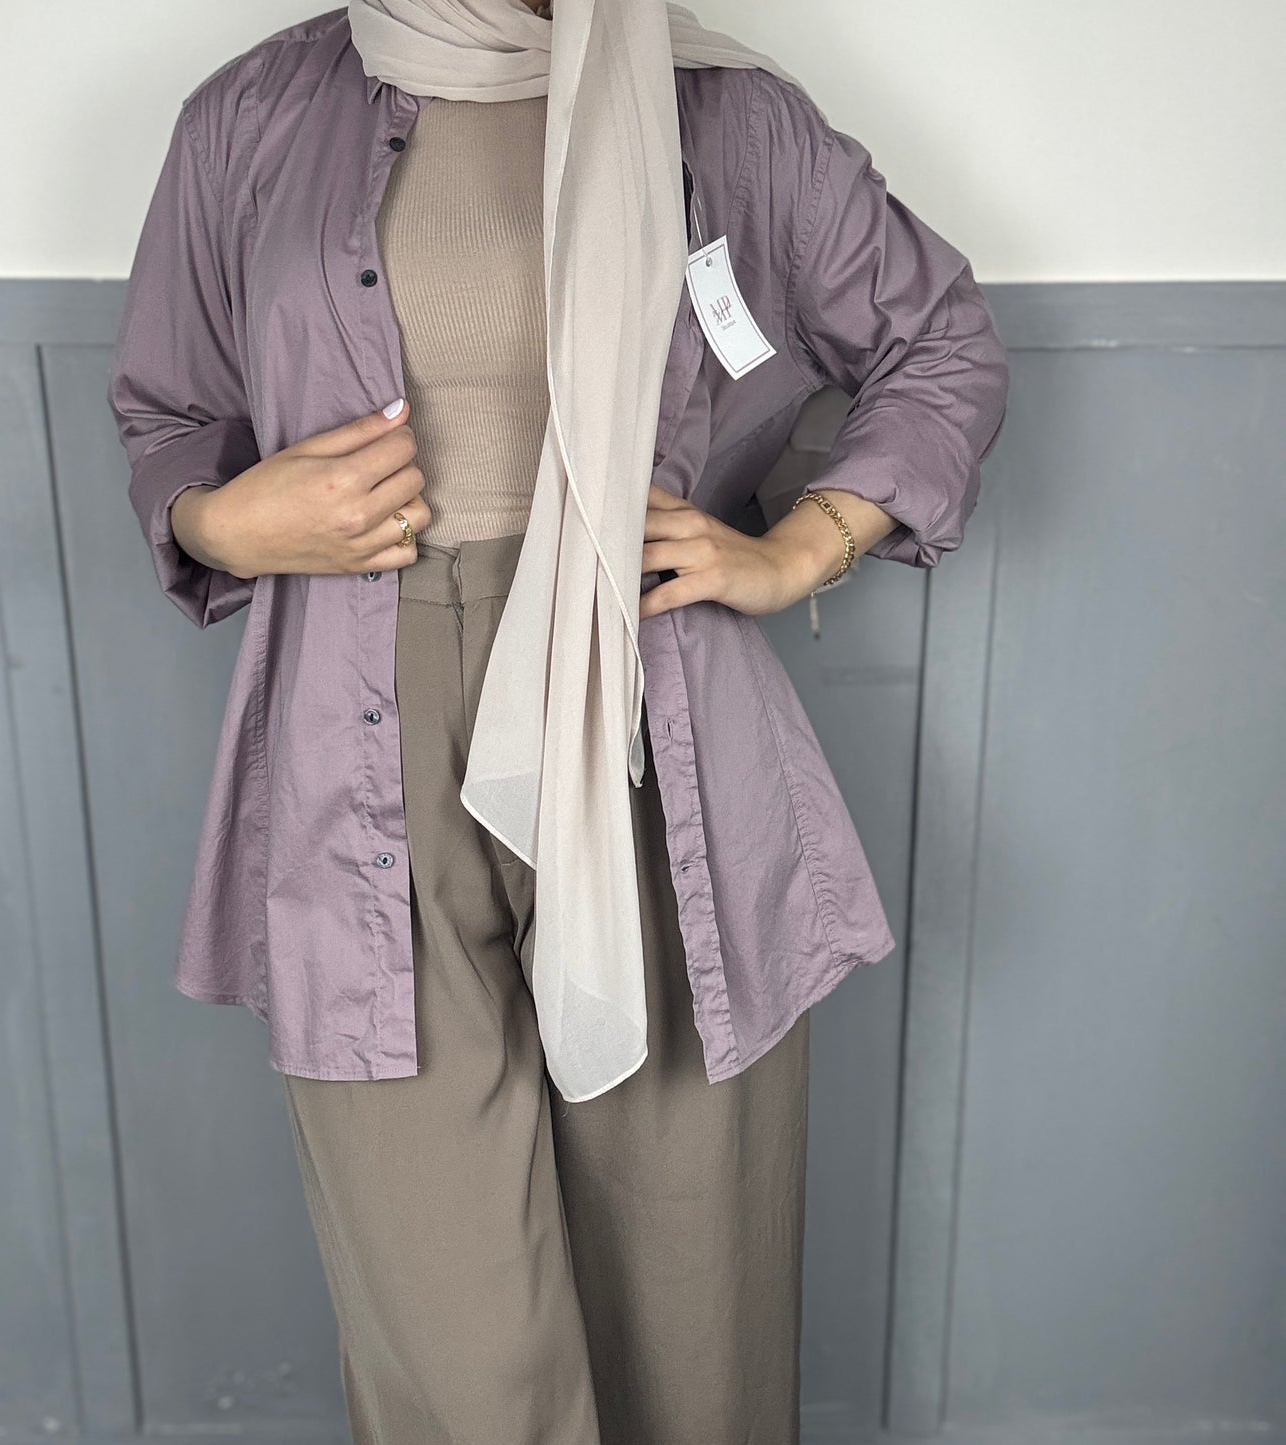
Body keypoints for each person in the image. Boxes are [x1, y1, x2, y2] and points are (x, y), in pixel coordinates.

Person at [106, 0, 1010, 1439]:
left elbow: (940, 345)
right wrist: (222, 520)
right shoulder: (252, 117)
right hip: (355, 735)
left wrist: (797, 549)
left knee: (692, 1327)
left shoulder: (725, 113)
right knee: (455, 1360)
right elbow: (168, 414)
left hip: (655, 731)